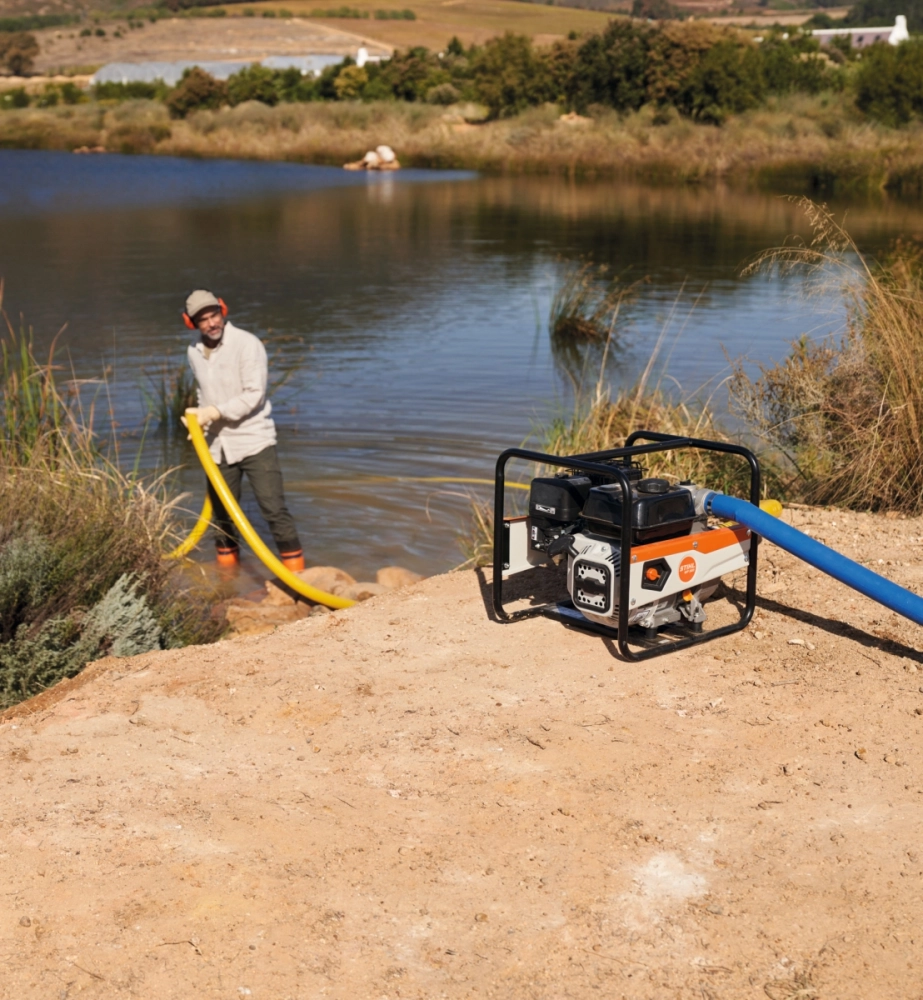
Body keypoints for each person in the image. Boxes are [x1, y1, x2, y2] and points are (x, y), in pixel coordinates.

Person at [181, 289, 305, 572]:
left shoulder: (247, 344)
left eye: (215, 315)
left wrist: (215, 412)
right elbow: (204, 393)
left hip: (254, 440)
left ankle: (300, 578)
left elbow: (254, 395)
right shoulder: (194, 352)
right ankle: (228, 583)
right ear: (192, 323)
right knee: (221, 515)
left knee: (273, 509)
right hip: (216, 445)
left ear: (222, 311)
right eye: (204, 320)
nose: (212, 323)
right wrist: (199, 421)